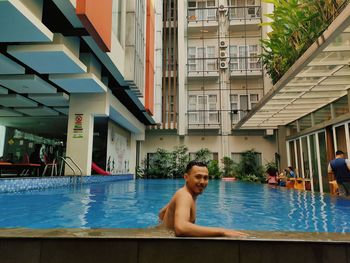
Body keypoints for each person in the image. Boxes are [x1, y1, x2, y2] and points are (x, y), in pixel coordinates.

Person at [158, 160, 247, 237]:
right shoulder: (185, 196)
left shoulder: (183, 193)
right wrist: (222, 231)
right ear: (186, 177)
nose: (202, 182)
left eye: (205, 178)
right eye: (198, 177)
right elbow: (181, 228)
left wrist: (165, 227)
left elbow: (162, 213)